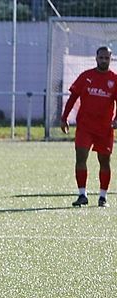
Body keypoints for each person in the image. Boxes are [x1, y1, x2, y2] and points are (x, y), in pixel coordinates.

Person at [60, 46, 117, 208]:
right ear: (96, 58)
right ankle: (82, 194)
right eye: (101, 58)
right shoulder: (86, 76)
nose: (104, 60)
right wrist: (64, 118)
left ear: (110, 59)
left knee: (104, 161)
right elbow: (72, 98)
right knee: (81, 158)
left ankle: (103, 197)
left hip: (105, 129)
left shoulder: (115, 79)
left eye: (107, 58)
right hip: (85, 126)